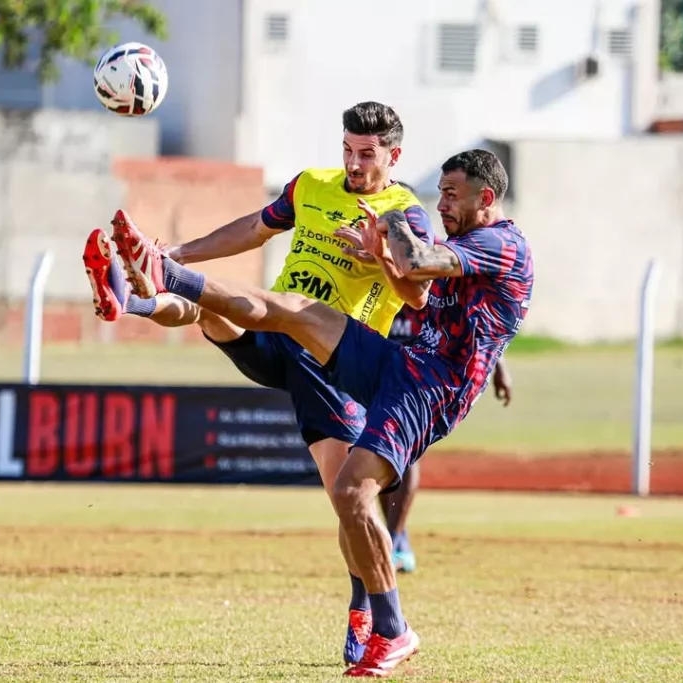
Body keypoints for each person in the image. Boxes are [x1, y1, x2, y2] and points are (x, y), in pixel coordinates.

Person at [107, 149, 533, 678]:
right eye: (440, 191)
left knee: (351, 491)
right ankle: (165, 276)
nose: (441, 202)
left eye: (451, 193)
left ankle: (392, 630)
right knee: (294, 310)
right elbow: (417, 297)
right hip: (401, 363)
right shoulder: (461, 241)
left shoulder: (503, 244)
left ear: (484, 198)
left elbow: (421, 263)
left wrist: (394, 229)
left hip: (433, 390)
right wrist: (382, 257)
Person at [82, 101, 435, 668]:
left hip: (333, 367)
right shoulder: (313, 186)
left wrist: (382, 254)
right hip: (274, 334)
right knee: (211, 308)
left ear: (394, 155)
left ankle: (363, 607)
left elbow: (419, 293)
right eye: (346, 149)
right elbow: (253, 228)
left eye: (367, 154)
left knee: (349, 502)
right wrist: (178, 250)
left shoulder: (405, 215)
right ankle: (138, 293)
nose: (353, 163)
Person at [381, 302, 514, 574]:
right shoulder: (382, 275)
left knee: (405, 454)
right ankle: (395, 537)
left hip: (419, 375)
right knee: (381, 456)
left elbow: (475, 317)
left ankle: (393, 544)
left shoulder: (436, 282)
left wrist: (499, 367)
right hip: (378, 367)